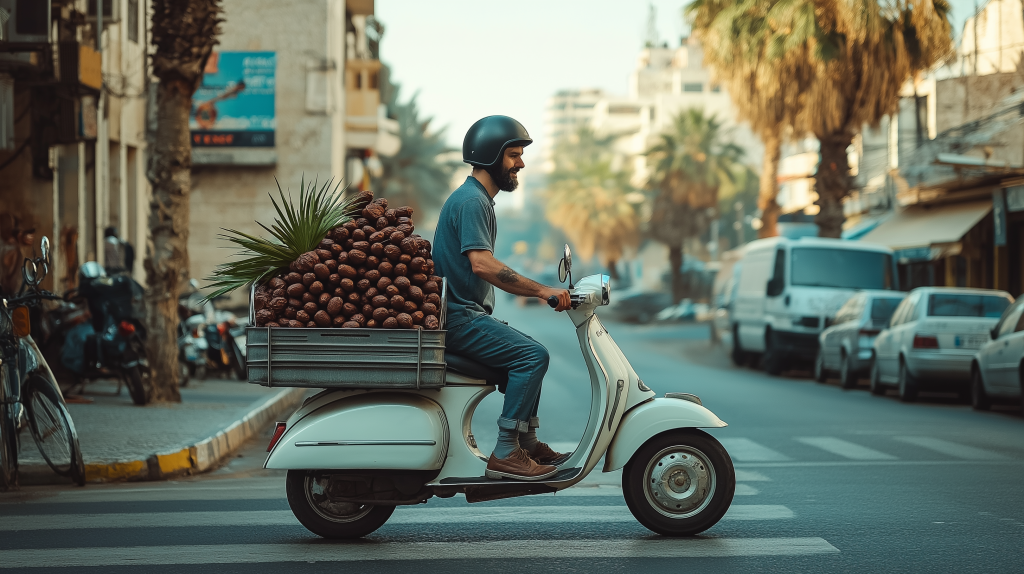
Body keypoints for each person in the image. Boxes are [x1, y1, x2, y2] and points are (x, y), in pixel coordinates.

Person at [433, 115, 572, 481]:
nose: (520, 164)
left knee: (525, 356)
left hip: (463, 314)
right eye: (513, 155)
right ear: (491, 157)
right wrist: (543, 290)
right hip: (460, 318)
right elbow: (482, 265)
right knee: (532, 355)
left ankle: (527, 441)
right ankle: (508, 451)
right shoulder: (471, 202)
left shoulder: (477, 200)